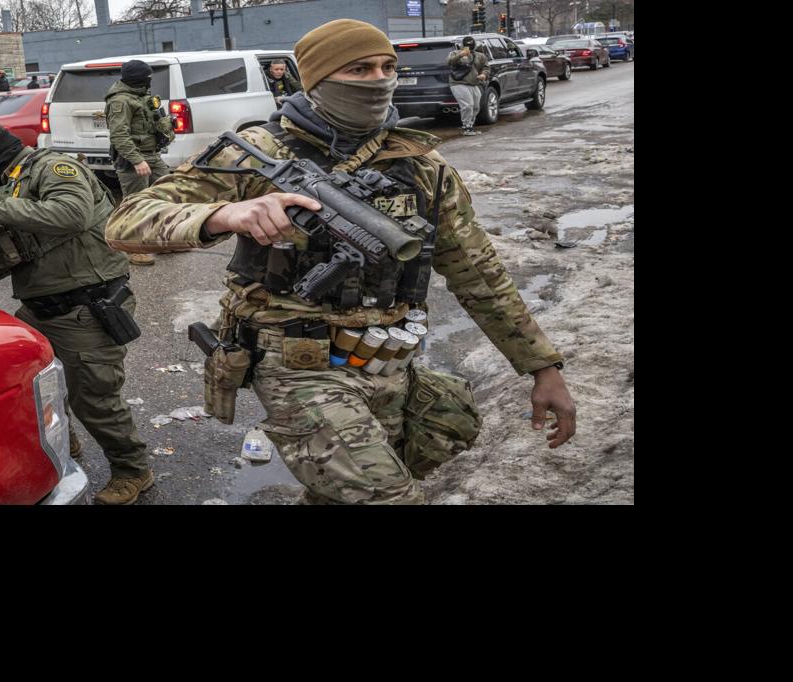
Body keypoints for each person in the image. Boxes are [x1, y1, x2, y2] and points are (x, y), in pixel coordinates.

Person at [106, 19, 576, 505]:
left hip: (388, 359)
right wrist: (226, 213)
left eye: (387, 66)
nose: (378, 79)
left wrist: (543, 367)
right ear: (317, 80)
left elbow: (480, 274)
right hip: (296, 364)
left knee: (421, 445)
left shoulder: (422, 167)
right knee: (387, 496)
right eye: (359, 68)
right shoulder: (261, 154)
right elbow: (127, 221)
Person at [0, 119, 153, 505]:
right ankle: (60, 440)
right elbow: (14, 252)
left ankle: (133, 470)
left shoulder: (53, 168)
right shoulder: (11, 183)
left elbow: (70, 214)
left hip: (87, 308)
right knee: (28, 385)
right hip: (41, 308)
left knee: (95, 398)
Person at [104, 59, 173, 265]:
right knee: (135, 203)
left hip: (152, 154)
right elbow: (119, 135)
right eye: (147, 77)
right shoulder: (120, 101)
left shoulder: (141, 95)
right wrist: (137, 160)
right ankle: (133, 249)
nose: (150, 81)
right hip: (133, 158)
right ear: (138, 78)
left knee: (166, 192)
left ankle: (159, 241)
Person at [447, 37, 489, 136]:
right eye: (466, 44)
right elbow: (449, 62)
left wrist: (484, 74)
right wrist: (460, 55)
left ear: (474, 45)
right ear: (462, 45)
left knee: (476, 107)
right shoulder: (454, 53)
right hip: (459, 83)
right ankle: (466, 127)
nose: (468, 46)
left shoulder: (480, 56)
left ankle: (470, 125)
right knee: (467, 105)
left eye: (471, 44)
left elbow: (486, 67)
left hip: (474, 83)